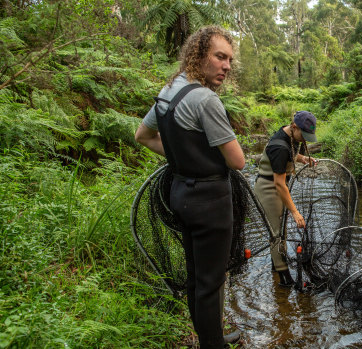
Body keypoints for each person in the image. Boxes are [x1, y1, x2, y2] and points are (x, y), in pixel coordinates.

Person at [134, 26, 244, 348]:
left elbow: (142, 135)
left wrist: (182, 156)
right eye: (219, 56)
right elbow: (237, 161)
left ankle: (209, 336)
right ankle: (214, 345)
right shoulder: (205, 99)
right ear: (199, 55)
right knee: (211, 282)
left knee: (197, 277)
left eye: (229, 60)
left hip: (180, 196)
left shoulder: (169, 90)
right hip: (210, 202)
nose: (226, 66)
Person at [254, 111, 318, 287]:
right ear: (294, 127)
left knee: (282, 232)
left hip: (278, 186)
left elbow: (291, 153)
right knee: (276, 234)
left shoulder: (288, 134)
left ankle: (277, 267)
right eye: (303, 135)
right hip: (269, 189)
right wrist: (296, 212)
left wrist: (303, 158)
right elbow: (279, 184)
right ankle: (285, 279)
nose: (304, 139)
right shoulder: (279, 146)